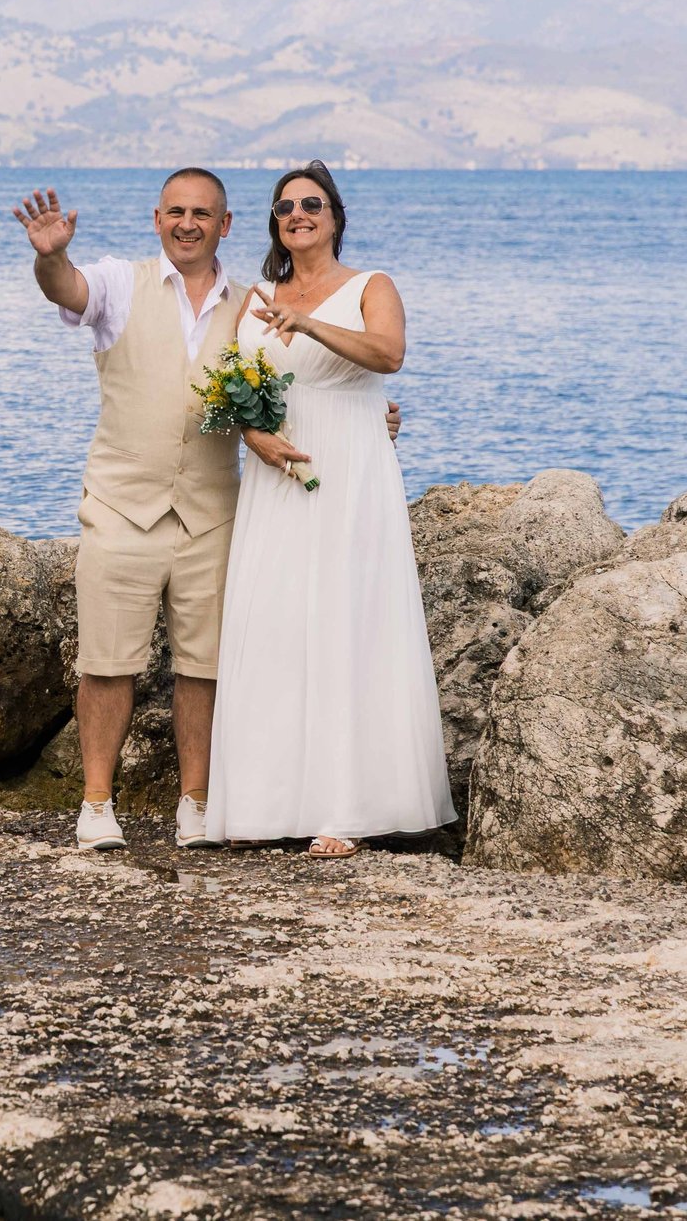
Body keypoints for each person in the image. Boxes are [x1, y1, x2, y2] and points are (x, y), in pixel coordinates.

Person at [15, 170, 400, 852]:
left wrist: (368, 417)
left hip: (214, 507)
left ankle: (196, 803)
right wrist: (50, 256)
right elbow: (67, 290)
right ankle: (97, 804)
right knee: (107, 660)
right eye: (176, 212)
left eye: (203, 213)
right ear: (156, 218)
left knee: (206, 664)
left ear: (225, 225)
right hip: (121, 503)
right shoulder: (117, 281)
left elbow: (289, 384)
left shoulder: (249, 302)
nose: (187, 222)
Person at [203, 161, 455, 858]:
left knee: (349, 622)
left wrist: (309, 324)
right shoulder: (255, 294)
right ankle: (261, 801)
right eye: (284, 206)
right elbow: (229, 385)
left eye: (311, 203)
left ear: (336, 215)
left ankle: (345, 809)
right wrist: (253, 434)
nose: (297, 213)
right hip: (275, 472)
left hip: (349, 466)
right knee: (276, 622)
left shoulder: (372, 285)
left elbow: (388, 354)